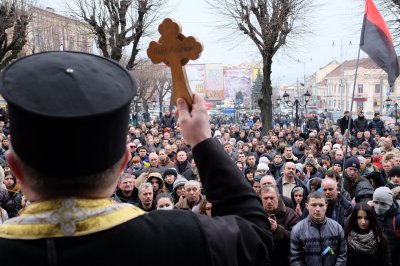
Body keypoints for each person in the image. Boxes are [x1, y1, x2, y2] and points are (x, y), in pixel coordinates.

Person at [0, 52, 273, 265]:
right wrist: (202, 142)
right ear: (123, 164)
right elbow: (256, 235)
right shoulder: (180, 238)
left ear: (15, 168)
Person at [290, 192, 347, 266]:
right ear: (307, 206)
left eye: (321, 205)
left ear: (326, 206)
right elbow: (296, 259)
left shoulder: (337, 228)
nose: (317, 209)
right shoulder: (297, 230)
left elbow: (342, 255)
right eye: (313, 205)